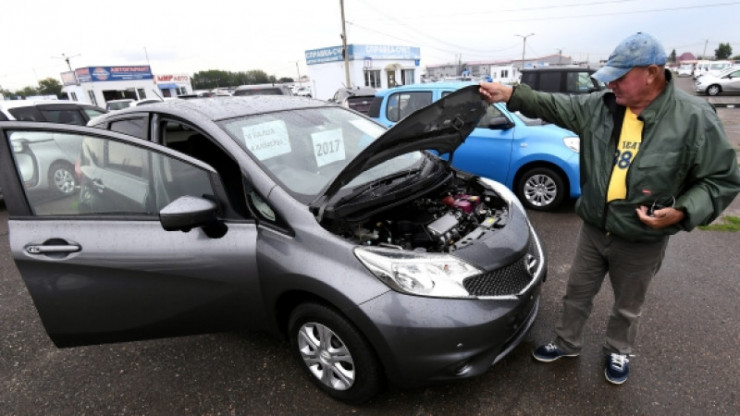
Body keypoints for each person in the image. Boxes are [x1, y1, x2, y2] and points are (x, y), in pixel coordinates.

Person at [479, 32, 740, 385]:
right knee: (576, 294)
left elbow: (720, 180)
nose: (610, 84)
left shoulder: (694, 117)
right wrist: (510, 94)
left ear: (651, 73)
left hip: (641, 237)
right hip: (594, 228)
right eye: (609, 76)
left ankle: (618, 349)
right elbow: (553, 105)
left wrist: (682, 212)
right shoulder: (601, 107)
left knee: (627, 305)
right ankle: (567, 342)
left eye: (620, 76)